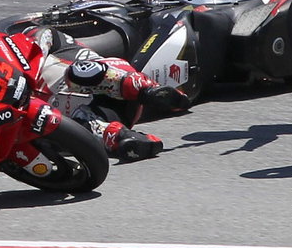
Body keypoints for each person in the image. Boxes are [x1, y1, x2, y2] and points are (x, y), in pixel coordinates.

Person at [36, 36, 191, 162]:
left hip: (106, 81)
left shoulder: (25, 45)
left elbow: (46, 34)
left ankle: (148, 90)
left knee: (77, 73)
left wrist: (35, 58)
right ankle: (122, 138)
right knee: (51, 129)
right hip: (101, 114)